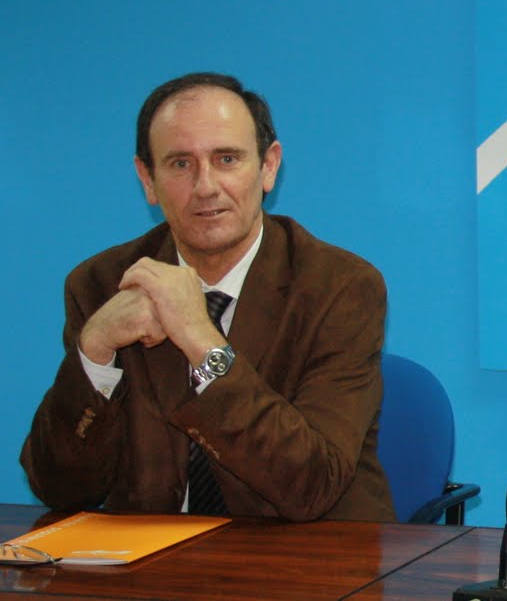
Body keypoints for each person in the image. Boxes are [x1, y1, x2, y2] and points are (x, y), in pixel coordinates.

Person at [20, 72, 394, 521]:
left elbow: (311, 486)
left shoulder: (340, 287)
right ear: (148, 179)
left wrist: (201, 339)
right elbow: (59, 488)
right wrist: (95, 349)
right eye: (180, 164)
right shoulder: (101, 284)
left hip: (310, 550)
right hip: (153, 555)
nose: (205, 186)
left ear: (268, 166)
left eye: (227, 159)